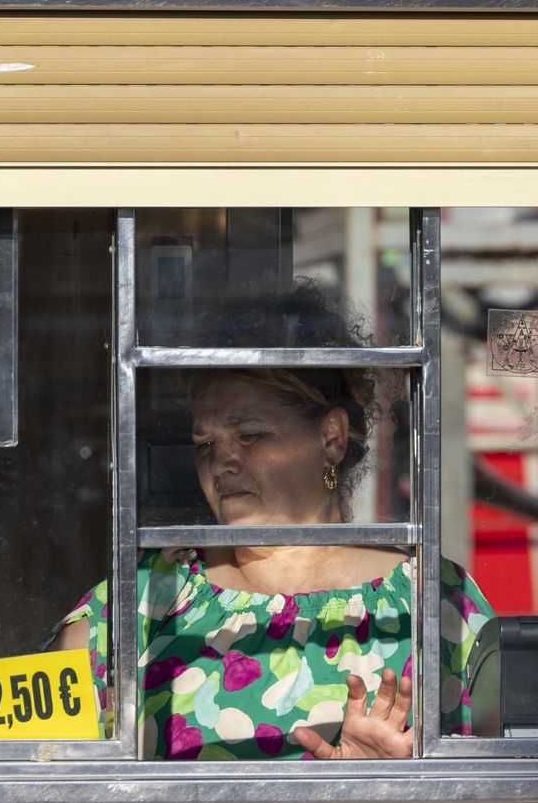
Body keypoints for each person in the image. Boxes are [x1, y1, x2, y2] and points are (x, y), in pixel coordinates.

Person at [51, 282, 494, 760]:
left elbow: (502, 777)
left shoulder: (431, 599)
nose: (222, 463)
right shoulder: (145, 597)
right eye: (205, 445)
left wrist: (387, 785)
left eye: (250, 435)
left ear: (332, 437)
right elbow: (42, 759)